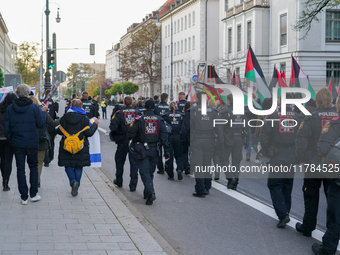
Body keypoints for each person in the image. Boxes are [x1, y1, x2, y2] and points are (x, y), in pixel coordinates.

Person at [295, 88, 338, 237]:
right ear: (331, 100)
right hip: (332, 163)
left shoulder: (311, 118)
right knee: (333, 200)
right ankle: (332, 231)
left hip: (313, 163)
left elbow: (301, 140)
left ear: (317, 101)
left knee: (311, 196)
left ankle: (308, 226)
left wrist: (302, 159)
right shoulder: (337, 118)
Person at [260, 96, 303, 228]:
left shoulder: (272, 117)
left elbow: (264, 136)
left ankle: (283, 214)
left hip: (277, 154)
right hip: (291, 155)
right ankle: (285, 212)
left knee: (274, 184)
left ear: (279, 103)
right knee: (287, 184)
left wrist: (267, 150)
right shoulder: (298, 117)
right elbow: (303, 137)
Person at [5, 84, 48, 204]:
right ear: (28, 93)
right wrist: (43, 112)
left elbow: (7, 128)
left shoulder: (10, 108)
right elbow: (40, 124)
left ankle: (24, 196)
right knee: (33, 167)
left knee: (20, 169)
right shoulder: (34, 107)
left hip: (17, 143)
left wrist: (11, 140)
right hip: (32, 143)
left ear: (17, 93)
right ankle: (33, 194)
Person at [127, 99, 169, 205]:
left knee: (144, 172)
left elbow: (130, 134)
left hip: (142, 149)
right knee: (150, 172)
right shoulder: (159, 120)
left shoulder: (139, 119)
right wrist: (166, 151)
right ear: (154, 108)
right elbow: (164, 136)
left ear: (145, 108)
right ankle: (147, 193)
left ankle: (150, 193)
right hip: (155, 149)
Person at [314, 94, 340, 255]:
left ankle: (328, 249)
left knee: (335, 214)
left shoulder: (333, 125)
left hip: (337, 178)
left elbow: (322, 149)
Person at [57, 99, 98, 196]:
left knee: (68, 165)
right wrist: (95, 125)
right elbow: (89, 133)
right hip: (81, 146)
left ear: (71, 106)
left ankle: (72, 181)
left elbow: (58, 131)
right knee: (78, 166)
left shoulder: (64, 117)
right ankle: (76, 187)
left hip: (67, 146)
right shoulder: (84, 119)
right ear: (81, 106)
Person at [189, 92, 220, 197]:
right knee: (207, 164)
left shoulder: (193, 111)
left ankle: (200, 189)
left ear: (197, 99)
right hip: (209, 140)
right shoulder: (214, 111)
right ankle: (207, 186)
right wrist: (220, 142)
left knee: (198, 165)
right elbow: (219, 128)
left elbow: (187, 128)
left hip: (197, 140)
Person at [218, 94, 249, 190]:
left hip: (227, 138)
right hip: (239, 138)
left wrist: (220, 140)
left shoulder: (224, 112)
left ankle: (230, 177)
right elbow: (247, 127)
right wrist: (247, 141)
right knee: (236, 161)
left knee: (223, 159)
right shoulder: (242, 113)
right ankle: (235, 180)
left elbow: (219, 128)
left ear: (228, 101)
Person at [109, 96, 140, 191]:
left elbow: (113, 127)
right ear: (132, 103)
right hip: (134, 141)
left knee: (119, 161)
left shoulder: (119, 113)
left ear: (124, 104)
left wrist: (117, 135)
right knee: (134, 163)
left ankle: (119, 180)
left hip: (123, 140)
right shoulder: (138, 113)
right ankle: (133, 185)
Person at [30, 95, 59, 188]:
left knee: (31, 163)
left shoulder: (26, 112)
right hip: (41, 140)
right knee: (39, 162)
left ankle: (34, 180)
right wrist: (61, 118)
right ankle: (37, 181)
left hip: (29, 140)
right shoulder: (42, 111)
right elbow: (53, 123)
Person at [162, 102, 185, 180]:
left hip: (169, 137)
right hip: (178, 136)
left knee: (169, 156)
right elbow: (184, 127)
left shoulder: (166, 115)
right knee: (179, 155)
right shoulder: (182, 115)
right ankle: (179, 169)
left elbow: (163, 127)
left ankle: (170, 174)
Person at [0, 93, 17, 191]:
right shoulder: (13, 111)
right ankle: (5, 182)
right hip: (9, 139)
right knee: (8, 161)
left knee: (1, 160)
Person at [43, 89, 59, 167]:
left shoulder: (41, 102)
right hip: (51, 126)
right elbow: (57, 114)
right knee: (51, 143)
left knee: (44, 142)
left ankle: (46, 160)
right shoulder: (55, 103)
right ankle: (50, 157)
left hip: (43, 126)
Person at [155, 93, 169, 174]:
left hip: (158, 130)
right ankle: (167, 166)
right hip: (167, 130)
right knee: (167, 149)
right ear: (166, 99)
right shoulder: (169, 107)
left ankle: (160, 168)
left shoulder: (156, 107)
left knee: (158, 150)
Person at [180, 101, 192, 175]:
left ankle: (186, 165)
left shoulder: (186, 115)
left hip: (187, 136)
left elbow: (185, 127)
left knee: (185, 152)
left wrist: (182, 138)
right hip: (195, 136)